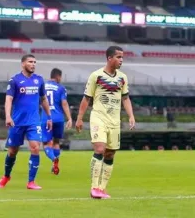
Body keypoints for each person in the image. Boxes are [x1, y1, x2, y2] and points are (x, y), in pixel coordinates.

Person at [75, 46, 136, 199]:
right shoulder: (96, 76)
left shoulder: (122, 78)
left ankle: (102, 188)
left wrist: (131, 116)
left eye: (122, 57)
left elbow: (126, 98)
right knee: (100, 149)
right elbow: (86, 98)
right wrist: (79, 118)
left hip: (114, 121)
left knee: (110, 153)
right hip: (98, 118)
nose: (121, 60)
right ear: (109, 58)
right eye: (118, 57)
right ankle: (94, 187)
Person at [0, 54, 53, 190]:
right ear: (23, 64)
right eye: (30, 62)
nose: (33, 64)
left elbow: (43, 99)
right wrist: (8, 116)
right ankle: (6, 176)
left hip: (33, 121)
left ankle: (31, 182)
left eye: (34, 62)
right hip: (17, 122)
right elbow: (8, 99)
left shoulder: (39, 80)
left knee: (35, 147)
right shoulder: (15, 80)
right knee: (12, 151)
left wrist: (49, 117)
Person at [41, 68, 72, 175]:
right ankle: (55, 165)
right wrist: (69, 118)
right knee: (56, 142)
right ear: (58, 76)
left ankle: (53, 158)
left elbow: (38, 102)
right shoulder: (61, 88)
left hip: (46, 118)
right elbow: (64, 103)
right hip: (59, 119)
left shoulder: (42, 86)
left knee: (45, 143)